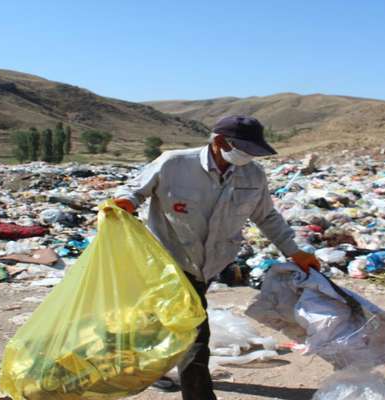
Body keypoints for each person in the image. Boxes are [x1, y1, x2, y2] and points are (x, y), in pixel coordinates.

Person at [113, 115, 320, 400]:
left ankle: (151, 366)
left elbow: (266, 217)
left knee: (166, 322)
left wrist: (294, 251)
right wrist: (125, 202)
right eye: (245, 149)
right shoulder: (173, 163)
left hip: (211, 263)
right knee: (196, 335)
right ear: (220, 141)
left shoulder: (253, 175)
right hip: (169, 261)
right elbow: (133, 191)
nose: (249, 157)